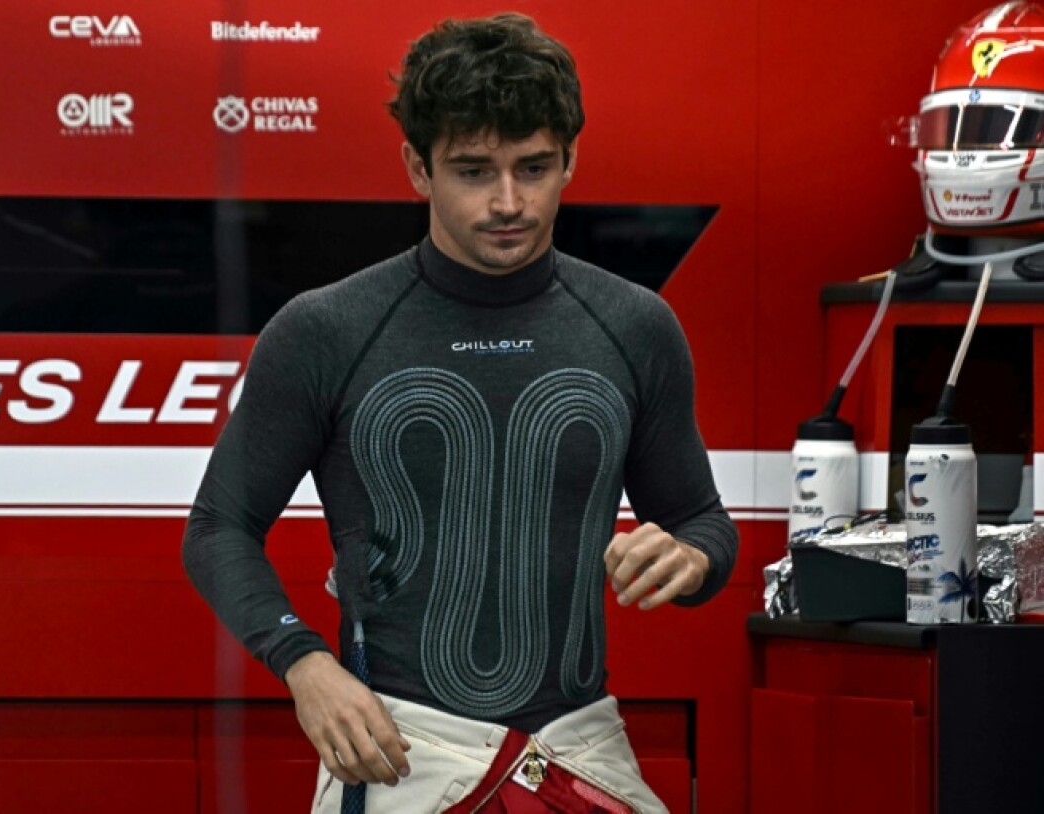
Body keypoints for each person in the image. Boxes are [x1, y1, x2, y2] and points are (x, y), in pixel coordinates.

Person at [183, 13, 738, 813]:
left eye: (534, 167)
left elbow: (700, 519)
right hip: (399, 751)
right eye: (473, 170)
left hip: (582, 746)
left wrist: (691, 560)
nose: (508, 201)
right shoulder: (326, 329)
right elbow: (217, 526)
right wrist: (305, 666)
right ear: (418, 166)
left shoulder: (636, 327)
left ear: (571, 160)